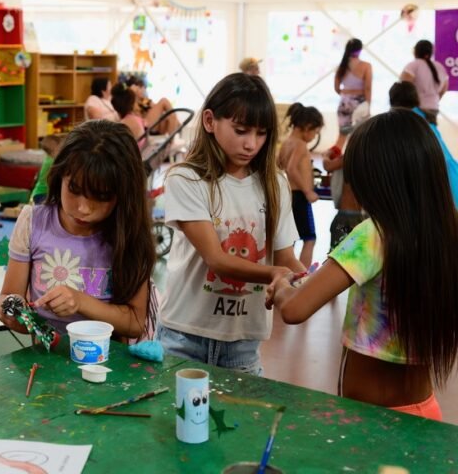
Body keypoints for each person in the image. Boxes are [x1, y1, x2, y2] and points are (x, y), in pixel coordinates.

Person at [267, 110, 458, 421]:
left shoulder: (375, 235)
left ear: (377, 179)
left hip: (372, 422)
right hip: (426, 413)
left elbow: (294, 309)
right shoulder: (449, 234)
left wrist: (281, 286)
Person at [157, 73, 304, 376]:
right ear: (210, 121)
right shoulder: (186, 178)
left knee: (241, 423)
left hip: (243, 342)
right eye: (241, 130)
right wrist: (277, 273)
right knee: (177, 422)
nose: (251, 144)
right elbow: (217, 260)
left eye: (261, 134)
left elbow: (286, 258)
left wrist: (302, 281)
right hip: (185, 334)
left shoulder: (275, 183)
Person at [0, 120, 156, 339]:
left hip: (108, 365)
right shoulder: (33, 221)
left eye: (101, 196)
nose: (82, 208)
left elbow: (135, 322)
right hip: (46, 363)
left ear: (123, 194)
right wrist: (11, 310)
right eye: (74, 189)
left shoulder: (129, 233)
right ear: (60, 175)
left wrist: (80, 301)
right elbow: (7, 298)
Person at [389, 81, 458, 207]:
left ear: (393, 101)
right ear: (415, 98)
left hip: (438, 180)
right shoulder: (424, 116)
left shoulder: (403, 121)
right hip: (452, 175)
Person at [277, 103, 323, 267]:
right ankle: (303, 276)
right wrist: (308, 191)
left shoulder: (287, 142)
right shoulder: (300, 144)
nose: (314, 137)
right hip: (300, 197)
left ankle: (289, 271)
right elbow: (290, 168)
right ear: (307, 127)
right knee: (310, 239)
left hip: (289, 196)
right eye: (315, 132)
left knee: (291, 237)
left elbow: (280, 165)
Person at [332, 38, 372, 151]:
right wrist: (368, 105)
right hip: (360, 103)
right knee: (360, 137)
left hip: (344, 103)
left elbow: (336, 88)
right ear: (360, 50)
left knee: (341, 137)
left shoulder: (341, 66)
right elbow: (368, 88)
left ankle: (330, 161)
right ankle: (355, 162)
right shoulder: (366, 66)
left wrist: (345, 94)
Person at [400, 40, 448, 125]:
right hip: (433, 106)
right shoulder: (439, 67)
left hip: (417, 108)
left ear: (416, 51)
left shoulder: (413, 65)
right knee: (430, 133)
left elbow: (404, 87)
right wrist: (435, 98)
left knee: (415, 135)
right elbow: (444, 87)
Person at [30, 133, 65, 205]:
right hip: (42, 193)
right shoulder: (51, 162)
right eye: (59, 150)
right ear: (52, 151)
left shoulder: (50, 159)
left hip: (43, 193)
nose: (62, 152)